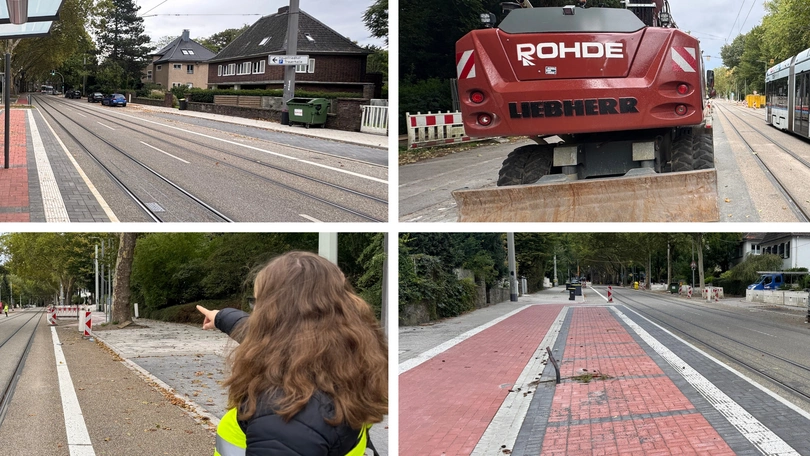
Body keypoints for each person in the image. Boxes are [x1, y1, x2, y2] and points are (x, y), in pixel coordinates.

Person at [196, 251, 388, 456]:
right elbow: (256, 333)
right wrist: (220, 317)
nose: (256, 314)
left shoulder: (284, 411)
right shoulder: (345, 356)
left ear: (275, 315)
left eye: (259, 303)